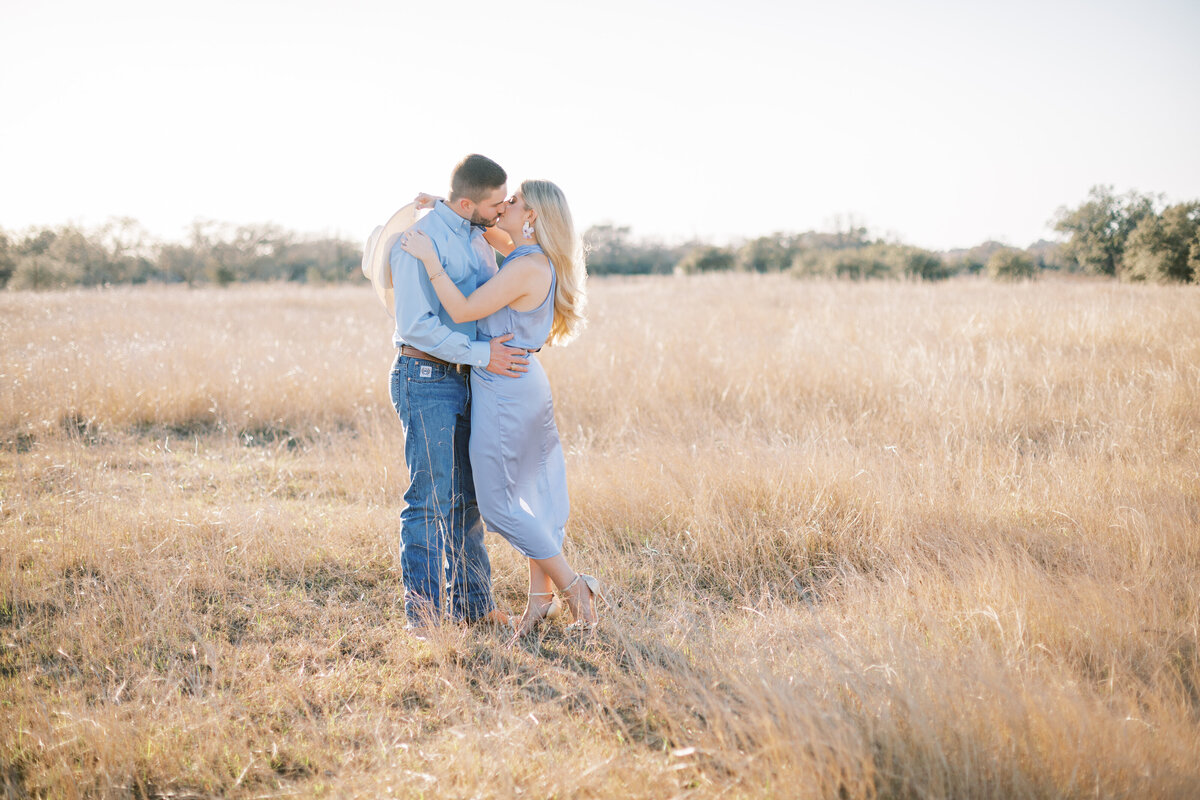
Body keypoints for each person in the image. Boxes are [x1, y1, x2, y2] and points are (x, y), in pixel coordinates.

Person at [400, 179, 603, 639]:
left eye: (512, 202)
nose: (503, 207)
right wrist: (442, 206)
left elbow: (465, 308)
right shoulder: (526, 256)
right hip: (518, 382)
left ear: (530, 217)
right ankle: (538, 606)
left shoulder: (527, 266)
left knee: (499, 507)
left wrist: (431, 259)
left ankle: (576, 591)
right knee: (529, 498)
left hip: (506, 390)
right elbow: (483, 226)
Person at [387, 154, 530, 631]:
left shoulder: (478, 232)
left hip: (470, 379)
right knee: (430, 499)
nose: (501, 210)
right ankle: (424, 621)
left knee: (469, 499)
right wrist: (483, 354)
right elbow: (415, 326)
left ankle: (474, 606)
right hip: (426, 377)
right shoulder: (419, 243)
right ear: (468, 202)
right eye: (495, 204)